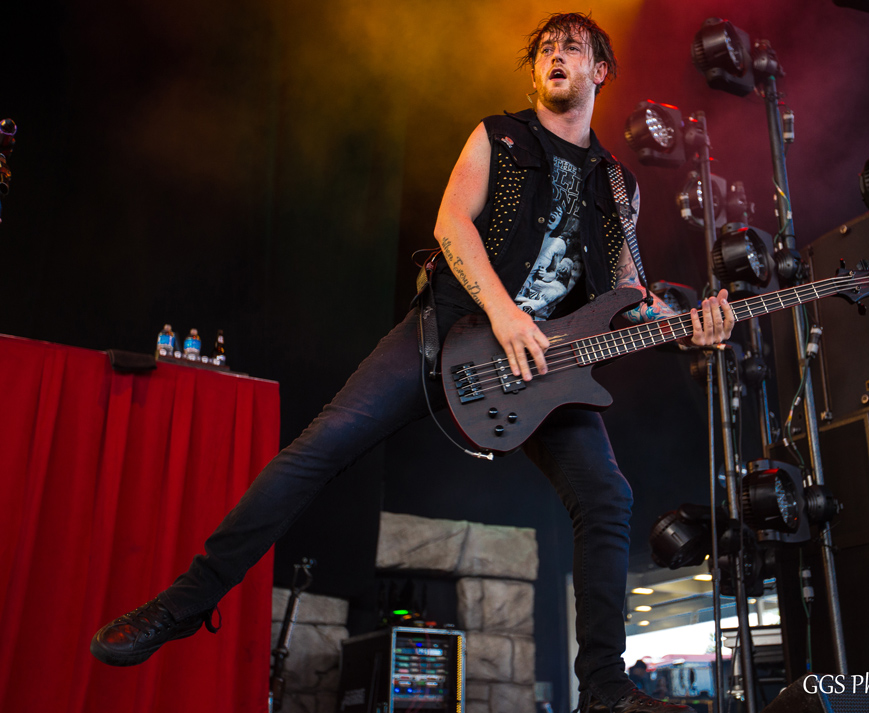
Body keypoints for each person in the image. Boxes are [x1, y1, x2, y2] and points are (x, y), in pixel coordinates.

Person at [90, 12, 735, 713]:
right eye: (545, 49)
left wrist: (684, 329)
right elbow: (451, 222)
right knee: (321, 445)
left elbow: (625, 297)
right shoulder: (499, 136)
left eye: (571, 48)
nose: (555, 56)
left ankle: (605, 690)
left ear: (599, 71)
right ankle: (185, 603)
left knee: (607, 496)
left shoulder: (618, 187)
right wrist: (503, 310)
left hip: (545, 365)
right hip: (449, 326)